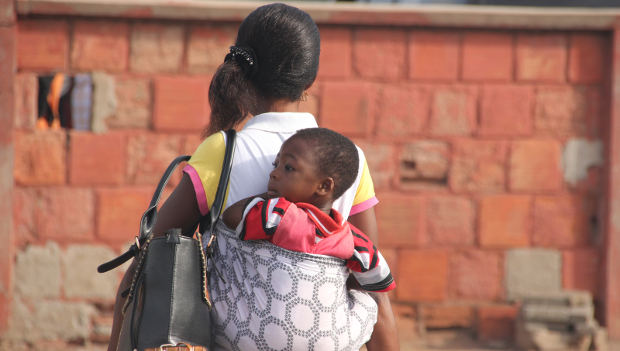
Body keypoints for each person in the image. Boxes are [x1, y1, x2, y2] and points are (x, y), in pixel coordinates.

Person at [108, 3, 398, 351]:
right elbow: (371, 291)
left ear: (241, 71)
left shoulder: (223, 150)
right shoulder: (349, 160)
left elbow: (149, 259)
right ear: (309, 79)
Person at [222, 128, 396, 293]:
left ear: (323, 186)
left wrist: (268, 195)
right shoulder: (352, 238)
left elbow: (231, 216)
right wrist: (337, 287)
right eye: (275, 165)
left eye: (288, 167)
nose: (273, 173)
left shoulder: (279, 215)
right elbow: (379, 279)